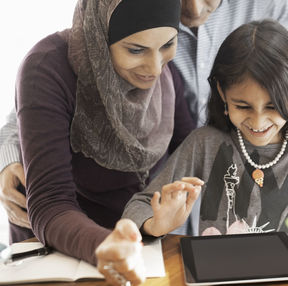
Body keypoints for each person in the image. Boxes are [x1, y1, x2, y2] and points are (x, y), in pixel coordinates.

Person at [0, 0, 288, 242]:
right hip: (80, 233)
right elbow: (40, 101)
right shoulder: (125, 20)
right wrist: (10, 154)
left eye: (167, 47)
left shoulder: (266, 9)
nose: (193, 8)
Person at [98, 20, 288, 280]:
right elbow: (138, 206)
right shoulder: (205, 143)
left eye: (273, 107)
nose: (258, 122)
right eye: (243, 106)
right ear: (222, 93)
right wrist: (157, 223)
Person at [11, 0, 193, 282]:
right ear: (100, 34)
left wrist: (151, 221)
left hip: (141, 249)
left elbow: (189, 155)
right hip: (61, 250)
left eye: (167, 45)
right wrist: (106, 244)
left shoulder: (170, 76)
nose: (156, 68)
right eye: (136, 50)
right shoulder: (47, 68)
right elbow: (50, 201)